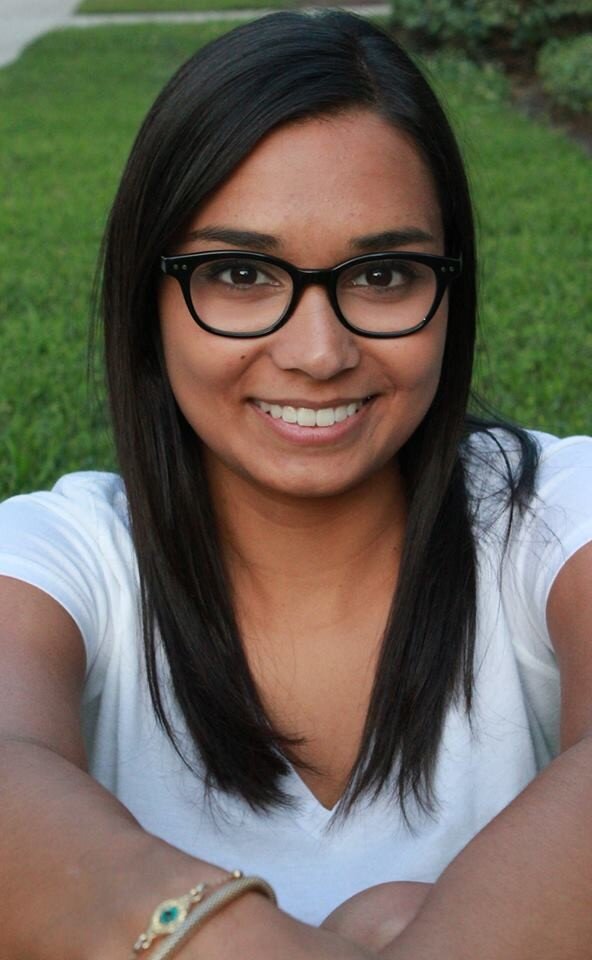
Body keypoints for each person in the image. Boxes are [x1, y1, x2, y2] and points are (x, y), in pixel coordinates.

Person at [0, 9, 591, 960]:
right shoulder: (60, 559)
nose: (319, 352)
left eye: (384, 275)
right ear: (148, 302)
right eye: (240, 273)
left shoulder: (551, 510)